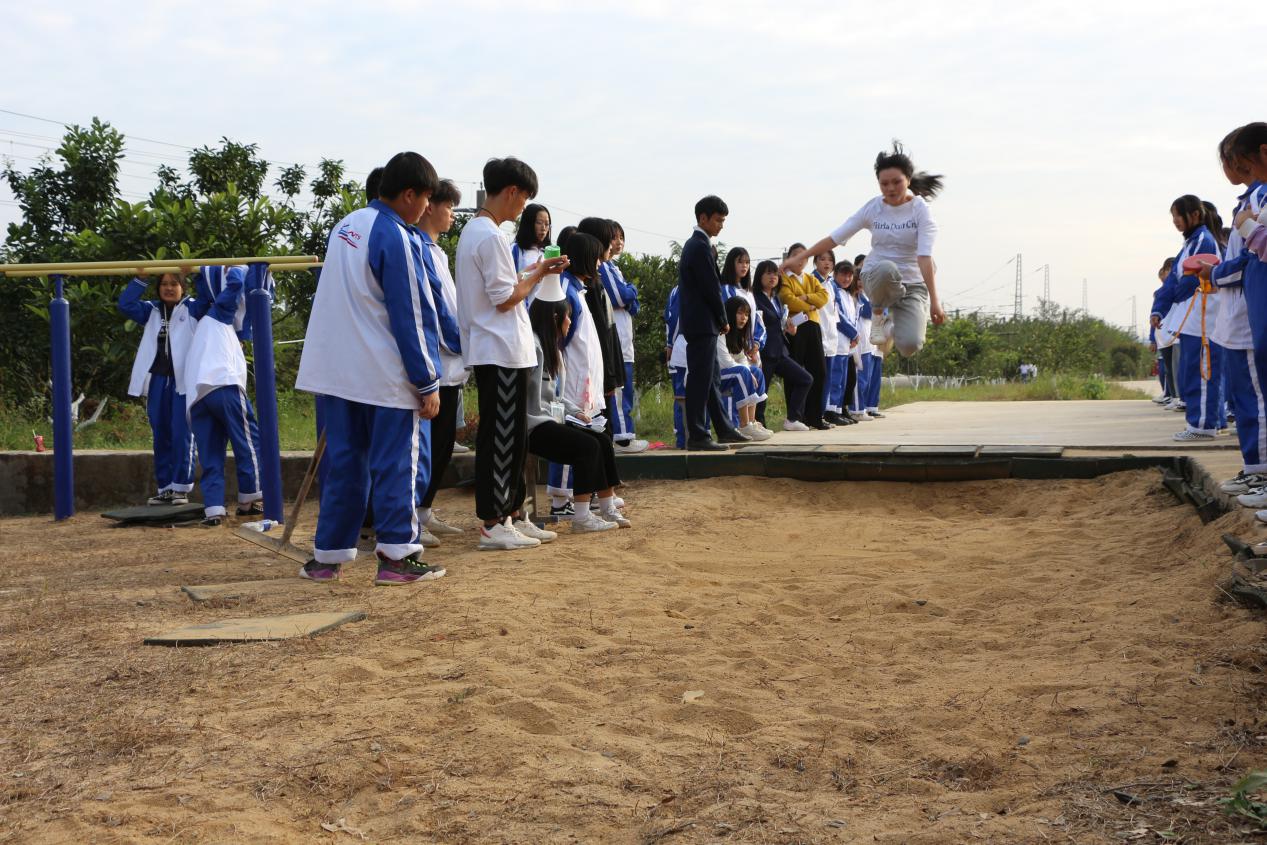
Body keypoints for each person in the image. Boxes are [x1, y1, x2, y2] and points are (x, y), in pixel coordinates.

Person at [294, 151, 446, 585]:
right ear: (410, 194)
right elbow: (411, 314)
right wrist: (427, 379)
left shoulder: (346, 225)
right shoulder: (398, 235)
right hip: (383, 374)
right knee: (397, 464)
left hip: (337, 371)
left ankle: (327, 558)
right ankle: (397, 557)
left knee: (344, 465)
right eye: (426, 199)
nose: (426, 210)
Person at [454, 156, 569, 550]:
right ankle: (493, 520)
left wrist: (538, 270)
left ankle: (512, 513)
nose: (525, 208)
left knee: (514, 436)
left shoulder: (483, 233)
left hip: (506, 350)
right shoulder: (488, 236)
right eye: (525, 199)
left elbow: (504, 285)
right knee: (501, 437)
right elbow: (504, 298)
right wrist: (538, 273)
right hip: (497, 349)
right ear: (511, 192)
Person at [782, 141, 945, 357]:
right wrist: (799, 257)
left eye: (896, 182)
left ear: (908, 179)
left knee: (910, 345)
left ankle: (887, 326)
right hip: (877, 276)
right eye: (884, 183)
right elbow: (834, 238)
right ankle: (878, 311)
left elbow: (925, 257)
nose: (890, 189)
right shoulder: (874, 208)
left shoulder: (920, 211)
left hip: (912, 284)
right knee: (887, 268)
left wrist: (935, 301)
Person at [525, 291, 629, 531]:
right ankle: (581, 518)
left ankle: (606, 507)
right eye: (567, 317)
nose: (569, 322)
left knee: (601, 439)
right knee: (587, 447)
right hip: (533, 425)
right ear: (554, 318)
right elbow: (529, 397)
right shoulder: (533, 346)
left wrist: (576, 412)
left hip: (551, 419)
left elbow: (557, 397)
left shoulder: (555, 351)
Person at [183, 264, 264, 526]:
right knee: (248, 443)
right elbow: (235, 285)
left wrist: (195, 275)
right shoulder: (218, 315)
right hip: (223, 385)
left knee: (210, 456)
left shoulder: (197, 320)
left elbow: (203, 296)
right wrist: (234, 268)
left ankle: (214, 509)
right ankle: (250, 500)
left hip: (197, 397)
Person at [414, 178, 471, 545]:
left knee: (444, 445)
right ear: (430, 205)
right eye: (449, 207)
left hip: (452, 366)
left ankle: (425, 511)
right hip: (438, 363)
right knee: (429, 447)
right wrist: (460, 343)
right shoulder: (419, 247)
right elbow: (435, 309)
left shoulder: (436, 250)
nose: (452, 215)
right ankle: (414, 515)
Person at [118, 270, 206, 505]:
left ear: (183, 288)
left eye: (174, 283)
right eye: (164, 284)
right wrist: (141, 278)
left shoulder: (192, 309)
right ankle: (165, 487)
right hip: (158, 379)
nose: (168, 288)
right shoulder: (151, 310)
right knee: (160, 434)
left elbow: (209, 301)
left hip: (183, 381)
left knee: (182, 432)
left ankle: (180, 487)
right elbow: (125, 304)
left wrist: (198, 275)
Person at [1151, 194, 1225, 441]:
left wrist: (1173, 303)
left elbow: (1189, 282)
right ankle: (1198, 422)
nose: (1175, 221)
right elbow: (1173, 280)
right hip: (1191, 319)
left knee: (1203, 371)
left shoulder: (1204, 241)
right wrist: (1159, 308)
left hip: (1204, 317)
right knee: (1189, 370)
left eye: (1178, 215)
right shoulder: (1189, 244)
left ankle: (1204, 425)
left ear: (1194, 215)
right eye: (1172, 216)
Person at [547, 231, 611, 514]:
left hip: (582, 379)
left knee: (584, 433)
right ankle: (560, 499)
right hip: (570, 380)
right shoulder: (567, 292)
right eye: (596, 258)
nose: (599, 263)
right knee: (568, 437)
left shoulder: (577, 289)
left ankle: (575, 494)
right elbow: (560, 342)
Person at [678, 195, 747, 450]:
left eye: (723, 220)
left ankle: (724, 429)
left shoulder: (701, 245)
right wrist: (722, 317)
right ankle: (697, 435)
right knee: (700, 380)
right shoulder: (698, 246)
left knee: (711, 379)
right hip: (701, 323)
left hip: (703, 323)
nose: (721, 225)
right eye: (718, 220)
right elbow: (711, 288)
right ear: (703, 218)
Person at [601, 221, 648, 453]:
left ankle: (624, 434)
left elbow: (634, 305)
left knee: (625, 385)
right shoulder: (604, 267)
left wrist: (630, 294)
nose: (618, 242)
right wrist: (631, 292)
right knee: (620, 387)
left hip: (624, 335)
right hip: (616, 336)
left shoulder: (615, 268)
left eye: (621, 237)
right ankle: (622, 437)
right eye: (613, 237)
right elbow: (620, 296)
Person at [752, 260, 812, 430]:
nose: (773, 277)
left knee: (805, 379)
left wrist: (788, 328)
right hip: (763, 351)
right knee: (761, 392)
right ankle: (758, 423)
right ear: (759, 277)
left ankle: (792, 419)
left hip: (780, 351)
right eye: (768, 273)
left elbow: (777, 324)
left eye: (775, 274)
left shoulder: (776, 299)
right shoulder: (754, 298)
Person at [780, 244, 831, 430]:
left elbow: (823, 297)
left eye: (803, 256)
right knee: (795, 371)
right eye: (795, 256)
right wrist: (810, 305)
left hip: (813, 327)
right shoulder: (785, 279)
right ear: (789, 258)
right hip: (795, 327)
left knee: (819, 371)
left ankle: (814, 417)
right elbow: (787, 299)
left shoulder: (810, 278)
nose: (800, 260)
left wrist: (805, 298)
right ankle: (795, 416)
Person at [719, 296, 770, 439]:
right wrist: (746, 372)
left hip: (729, 374)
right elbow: (726, 362)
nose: (744, 318)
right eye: (740, 313)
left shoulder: (738, 335)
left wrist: (749, 372)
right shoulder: (720, 332)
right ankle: (744, 424)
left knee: (756, 372)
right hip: (715, 376)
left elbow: (741, 358)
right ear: (730, 313)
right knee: (743, 372)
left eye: (747, 314)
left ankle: (752, 422)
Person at [512, 203, 552, 273]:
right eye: (539, 222)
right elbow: (509, 281)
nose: (544, 228)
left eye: (547, 224)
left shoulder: (548, 252)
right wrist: (534, 271)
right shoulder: (515, 249)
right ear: (528, 224)